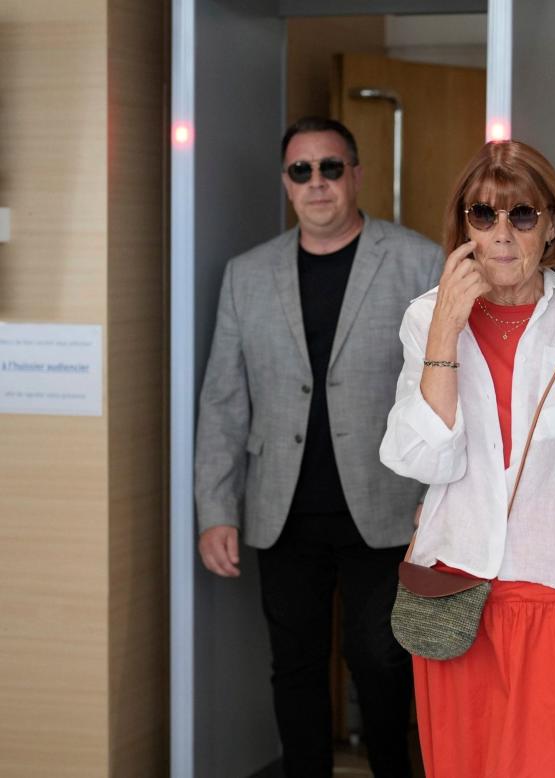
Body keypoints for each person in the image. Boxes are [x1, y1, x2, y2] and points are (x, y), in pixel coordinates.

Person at [378, 139, 555, 778]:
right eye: (483, 216)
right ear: (464, 227)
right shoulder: (426, 319)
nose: (501, 234)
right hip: (458, 598)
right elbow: (423, 457)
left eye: (522, 216)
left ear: (552, 225)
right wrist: (447, 331)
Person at [194, 116, 443, 778]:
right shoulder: (247, 275)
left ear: (356, 174)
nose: (317, 183)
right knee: (296, 667)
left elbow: (449, 390)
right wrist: (216, 507)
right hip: (284, 510)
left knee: (381, 661)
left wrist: (439, 496)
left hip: (388, 508)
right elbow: (223, 397)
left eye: (330, 167)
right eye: (301, 171)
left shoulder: (418, 260)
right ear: (285, 183)